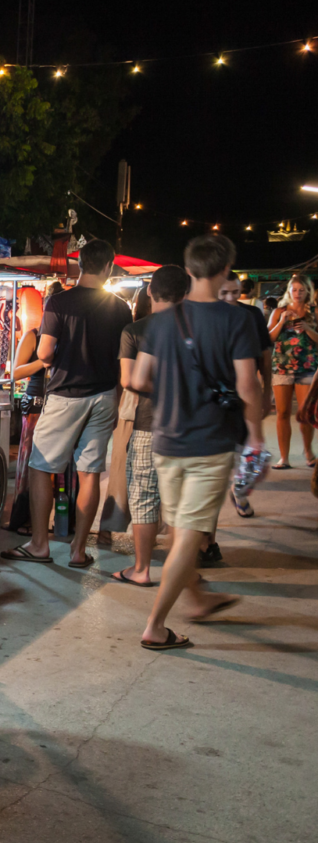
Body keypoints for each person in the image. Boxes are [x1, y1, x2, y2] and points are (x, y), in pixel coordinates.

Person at [129, 235, 264, 650]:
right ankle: (155, 626)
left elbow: (137, 380)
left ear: (187, 271)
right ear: (226, 270)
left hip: (166, 439)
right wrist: (256, 435)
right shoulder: (237, 319)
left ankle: (200, 598)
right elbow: (248, 385)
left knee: (180, 531)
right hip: (211, 441)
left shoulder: (162, 321)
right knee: (188, 534)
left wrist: (173, 394)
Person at [3, 240, 131, 568]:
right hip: (104, 395)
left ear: (81, 265)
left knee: (41, 467)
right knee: (89, 473)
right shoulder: (120, 308)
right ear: (107, 268)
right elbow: (121, 359)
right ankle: (77, 550)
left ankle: (40, 544)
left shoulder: (60, 302)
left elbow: (44, 353)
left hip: (65, 395)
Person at [115, 265, 190, 586]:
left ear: (149, 292)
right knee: (181, 502)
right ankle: (182, 572)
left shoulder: (136, 330)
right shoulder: (196, 330)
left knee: (144, 497)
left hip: (147, 424)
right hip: (187, 426)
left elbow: (128, 380)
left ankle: (142, 569)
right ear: (185, 294)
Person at [217, 275, 273, 522]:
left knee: (248, 451)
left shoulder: (251, 315)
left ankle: (240, 493)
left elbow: (265, 356)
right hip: (214, 396)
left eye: (235, 292)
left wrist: (268, 389)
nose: (230, 298)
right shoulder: (207, 317)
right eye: (224, 293)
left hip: (244, 393)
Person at [6, 285, 48, 534]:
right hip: (35, 403)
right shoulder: (34, 335)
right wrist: (43, 362)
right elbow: (16, 372)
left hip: (61, 404)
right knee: (30, 459)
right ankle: (24, 518)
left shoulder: (69, 336)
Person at [266, 274, 318, 468]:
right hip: (282, 366)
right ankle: (284, 457)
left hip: (307, 367)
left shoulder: (314, 311)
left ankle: (308, 452)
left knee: (305, 413)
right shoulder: (279, 311)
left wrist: (307, 328)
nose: (297, 294)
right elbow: (269, 338)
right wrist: (281, 322)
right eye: (294, 290)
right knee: (282, 412)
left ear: (308, 292)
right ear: (288, 291)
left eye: (301, 290)